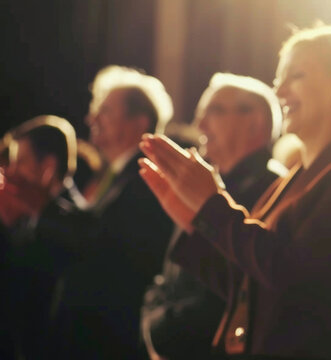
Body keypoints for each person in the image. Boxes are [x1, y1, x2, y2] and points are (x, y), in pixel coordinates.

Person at [139, 24, 331, 359]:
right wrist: (195, 222)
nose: (280, 90)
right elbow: (250, 283)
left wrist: (212, 204)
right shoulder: (291, 180)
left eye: (295, 76)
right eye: (278, 80)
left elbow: (294, 274)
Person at [141, 73, 284, 360]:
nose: (200, 125)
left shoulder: (274, 189)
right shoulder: (209, 183)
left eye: (214, 111)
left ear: (255, 123)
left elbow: (231, 290)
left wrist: (162, 331)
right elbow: (170, 276)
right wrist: (152, 326)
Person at [36, 66, 175, 359]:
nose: (91, 119)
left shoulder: (144, 177)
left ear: (140, 122)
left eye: (106, 111)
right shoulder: (117, 175)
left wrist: (39, 206)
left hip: (110, 340)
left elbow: (103, 246)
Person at [0, 116, 86, 360]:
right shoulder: (28, 208)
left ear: (48, 166)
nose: (11, 171)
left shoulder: (76, 220)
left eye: (21, 162)